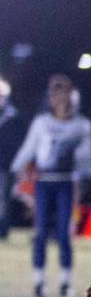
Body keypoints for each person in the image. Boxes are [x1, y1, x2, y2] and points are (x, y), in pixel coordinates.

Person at [10, 75, 91, 297]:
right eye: (55, 96)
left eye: (64, 96)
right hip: (44, 182)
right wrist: (15, 168)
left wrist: (77, 153)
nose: (60, 101)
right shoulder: (41, 123)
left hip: (66, 181)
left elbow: (89, 157)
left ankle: (66, 281)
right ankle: (39, 280)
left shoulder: (81, 125)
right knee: (40, 232)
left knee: (65, 234)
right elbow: (29, 148)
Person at [0, 77, 27, 242]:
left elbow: (14, 145)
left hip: (3, 165)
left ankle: (2, 229)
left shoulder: (13, 118)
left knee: (2, 200)